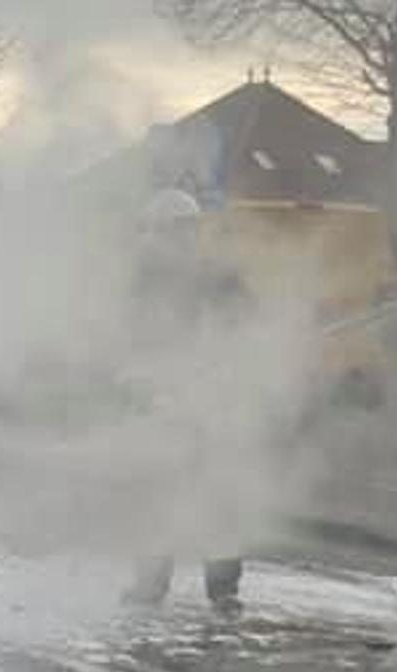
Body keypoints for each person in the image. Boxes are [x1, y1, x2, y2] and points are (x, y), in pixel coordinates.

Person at [122, 190, 248, 616]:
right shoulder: (161, 276)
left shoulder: (192, 275)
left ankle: (169, 584)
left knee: (187, 492)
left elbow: (243, 327)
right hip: (181, 397)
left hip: (201, 398)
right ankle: (206, 588)